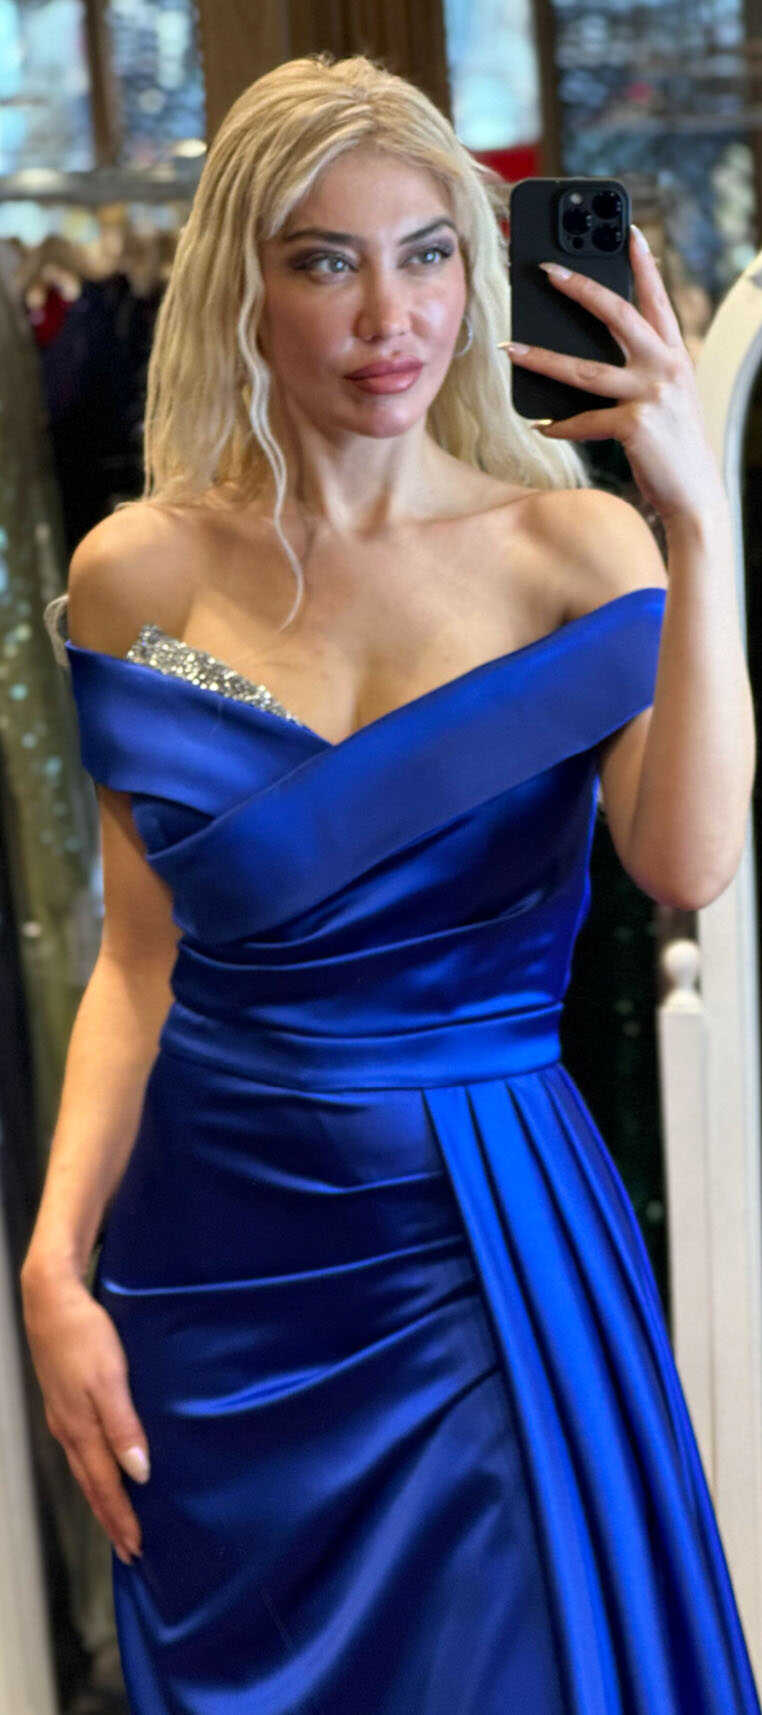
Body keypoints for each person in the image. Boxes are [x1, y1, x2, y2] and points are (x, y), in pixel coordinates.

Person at [22, 49, 760, 1715]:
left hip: (483, 1241)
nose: (388, 319)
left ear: (476, 271)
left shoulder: (577, 553)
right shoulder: (136, 572)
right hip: (215, 1269)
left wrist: (697, 522)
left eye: (426, 255)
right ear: (243, 286)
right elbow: (138, 963)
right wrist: (56, 1266)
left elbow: (685, 858)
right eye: (325, 261)